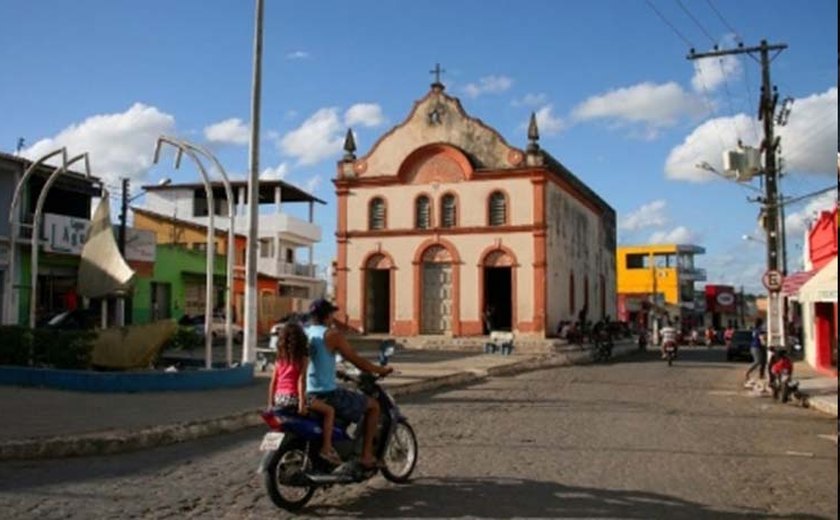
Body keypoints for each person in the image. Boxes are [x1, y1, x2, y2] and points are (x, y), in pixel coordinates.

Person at [305, 299, 393, 471]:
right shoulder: (331, 335)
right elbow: (356, 359)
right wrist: (380, 370)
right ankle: (367, 456)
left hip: (308, 393)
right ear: (328, 316)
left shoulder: (307, 333)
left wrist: (335, 371)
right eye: (332, 314)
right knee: (374, 406)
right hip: (327, 395)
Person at [267, 321, 342, 466]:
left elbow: (273, 382)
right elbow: (301, 381)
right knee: (329, 411)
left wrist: (271, 403)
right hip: (294, 397)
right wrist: (302, 404)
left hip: (279, 399)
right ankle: (326, 448)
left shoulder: (280, 358)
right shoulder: (302, 357)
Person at [744, 318, 767, 389]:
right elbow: (761, 339)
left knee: (763, 361)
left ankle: (761, 375)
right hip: (756, 347)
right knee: (758, 361)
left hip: (755, 347)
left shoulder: (755, 329)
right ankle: (747, 372)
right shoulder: (759, 330)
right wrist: (765, 344)